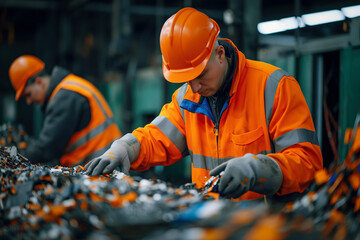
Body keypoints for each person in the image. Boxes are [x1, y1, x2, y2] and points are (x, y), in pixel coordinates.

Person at [86, 7, 323, 201]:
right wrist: (126, 147)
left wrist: (258, 169)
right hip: (209, 223)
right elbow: (155, 138)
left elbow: (307, 163)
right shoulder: (187, 98)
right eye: (188, 79)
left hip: (264, 227)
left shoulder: (273, 86)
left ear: (220, 54)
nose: (195, 87)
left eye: (201, 74)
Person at [8, 55, 122, 167]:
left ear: (39, 82)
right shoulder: (69, 87)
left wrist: (16, 160)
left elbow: (47, 147)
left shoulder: (64, 97)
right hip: (106, 162)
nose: (28, 101)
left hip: (101, 167)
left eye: (28, 94)